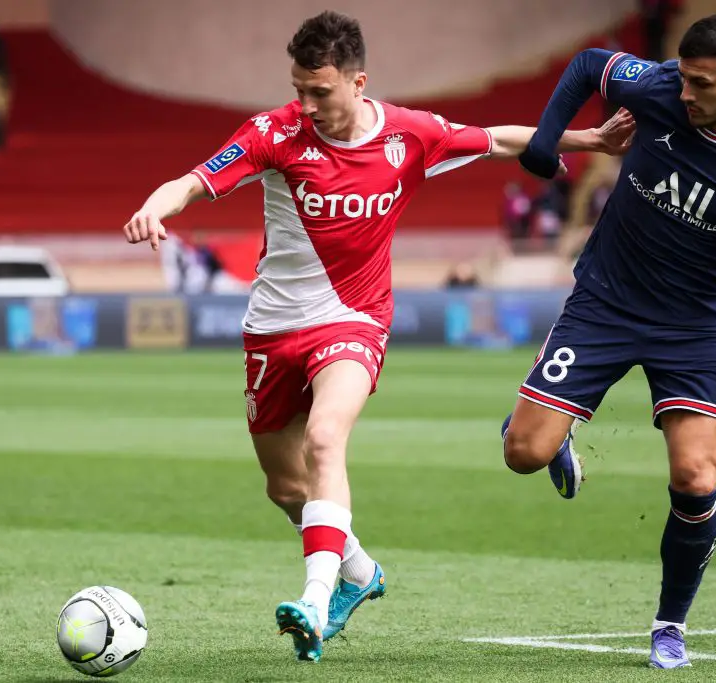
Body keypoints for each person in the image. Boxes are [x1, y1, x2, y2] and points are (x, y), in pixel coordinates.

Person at [122, 10, 634, 664]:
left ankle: (313, 599)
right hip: (272, 331)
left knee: (325, 438)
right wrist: (153, 209)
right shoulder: (272, 133)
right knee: (285, 489)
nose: (307, 105)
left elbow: (496, 140)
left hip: (355, 320)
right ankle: (360, 574)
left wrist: (588, 138)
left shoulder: (407, 136)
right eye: (299, 89)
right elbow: (193, 181)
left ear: (358, 82)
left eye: (321, 92)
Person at [508, 13, 716, 669]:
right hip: (605, 300)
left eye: (700, 83)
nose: (685, 93)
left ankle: (670, 624)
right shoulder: (662, 87)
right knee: (524, 453)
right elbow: (588, 63)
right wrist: (545, 143)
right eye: (682, 78)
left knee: (696, 475)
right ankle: (547, 430)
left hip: (691, 326)